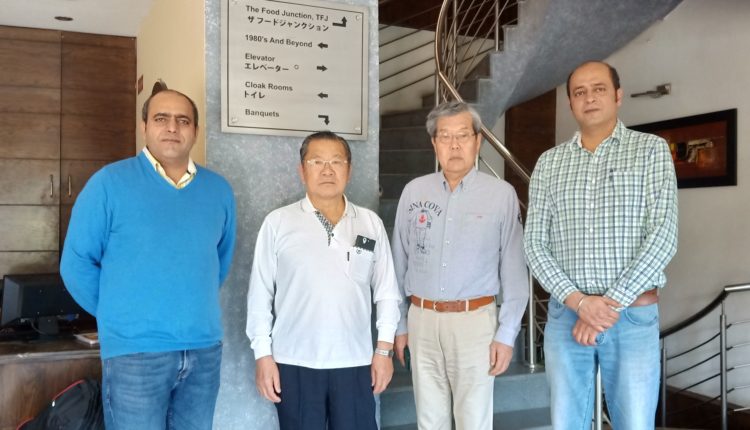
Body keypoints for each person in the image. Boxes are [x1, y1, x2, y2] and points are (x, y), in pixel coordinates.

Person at [60, 89, 237, 430]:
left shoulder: (219, 191)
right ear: (144, 127)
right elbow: (76, 264)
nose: (172, 127)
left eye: (183, 120)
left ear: (195, 131)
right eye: (161, 118)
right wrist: (120, 313)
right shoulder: (108, 184)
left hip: (203, 349)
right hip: (134, 354)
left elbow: (218, 262)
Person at [524, 61, 678, 429]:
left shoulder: (650, 151)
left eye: (599, 89)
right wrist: (580, 303)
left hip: (632, 316)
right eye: (579, 92)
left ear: (618, 96)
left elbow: (664, 235)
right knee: (566, 422)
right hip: (566, 316)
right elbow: (534, 244)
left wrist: (606, 308)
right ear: (570, 103)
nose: (589, 98)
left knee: (635, 423)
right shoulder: (549, 163)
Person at [246, 131, 401, 430]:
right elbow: (260, 294)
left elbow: (387, 292)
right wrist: (263, 355)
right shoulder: (278, 222)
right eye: (317, 162)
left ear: (349, 170)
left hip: (355, 361)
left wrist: (383, 351)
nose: (327, 170)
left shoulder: (369, 223)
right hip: (294, 362)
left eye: (336, 161)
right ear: (302, 170)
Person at [391, 101, 529, 430]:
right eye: (445, 136)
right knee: (429, 421)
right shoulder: (414, 192)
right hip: (422, 320)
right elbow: (398, 264)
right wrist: (400, 326)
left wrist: (507, 334)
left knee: (473, 421)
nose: (454, 145)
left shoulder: (501, 194)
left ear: (478, 141)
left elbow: (514, 270)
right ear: (434, 143)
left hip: (475, 323)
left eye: (463, 135)